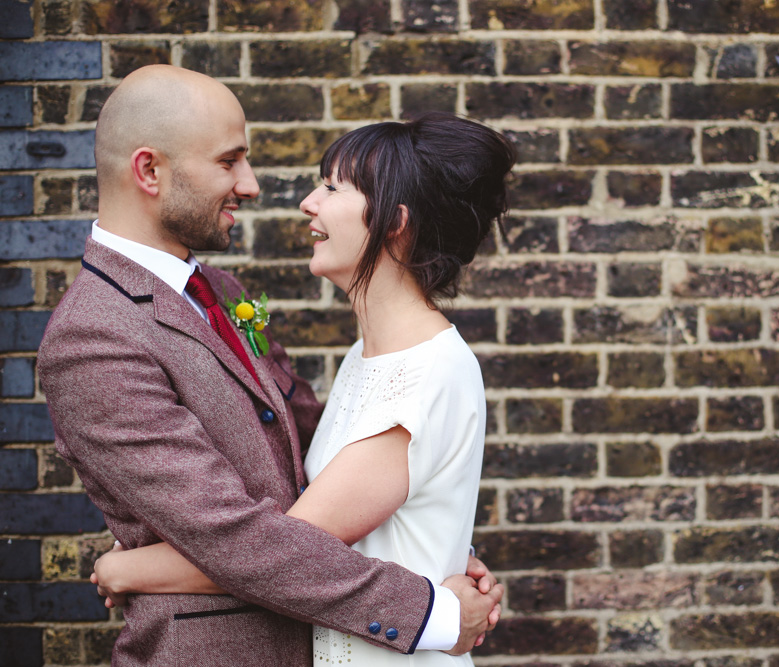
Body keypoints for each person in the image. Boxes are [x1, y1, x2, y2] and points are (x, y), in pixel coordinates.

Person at [36, 65, 502, 666]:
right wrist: (434, 608)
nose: (252, 185)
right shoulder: (94, 336)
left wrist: (432, 545)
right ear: (150, 171)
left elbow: (319, 472)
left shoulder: (222, 292)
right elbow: (232, 535)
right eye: (230, 161)